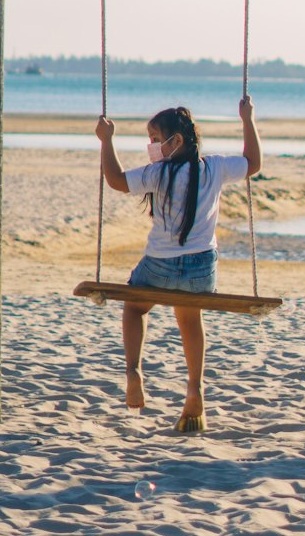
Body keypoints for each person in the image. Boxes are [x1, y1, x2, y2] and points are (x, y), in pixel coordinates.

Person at [94, 96, 262, 433]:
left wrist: (106, 141)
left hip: (159, 267)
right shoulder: (214, 167)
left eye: (156, 140)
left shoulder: (158, 174)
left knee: (134, 306)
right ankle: (195, 388)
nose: (152, 147)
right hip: (201, 272)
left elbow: (114, 179)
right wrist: (247, 119)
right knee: (189, 315)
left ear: (177, 141)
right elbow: (253, 163)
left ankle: (133, 371)